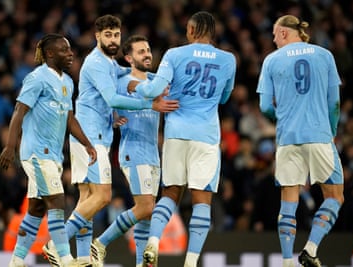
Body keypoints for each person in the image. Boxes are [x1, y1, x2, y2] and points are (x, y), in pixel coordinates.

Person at [41, 15, 179, 267]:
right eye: (108, 35)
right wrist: (150, 102)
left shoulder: (110, 63)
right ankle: (55, 244)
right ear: (97, 36)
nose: (113, 40)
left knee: (87, 200)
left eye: (116, 35)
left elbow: (125, 72)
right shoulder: (96, 63)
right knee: (103, 197)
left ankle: (83, 260)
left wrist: (147, 77)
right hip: (90, 139)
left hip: (96, 136)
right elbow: (112, 98)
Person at [128, 11, 236, 267]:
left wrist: (136, 87)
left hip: (176, 134)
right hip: (207, 137)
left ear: (190, 30)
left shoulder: (174, 55)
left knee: (170, 193)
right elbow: (224, 98)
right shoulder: (229, 59)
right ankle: (190, 262)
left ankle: (153, 242)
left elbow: (154, 90)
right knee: (202, 199)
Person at [0, 33, 97, 267]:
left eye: (70, 49)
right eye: (65, 50)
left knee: (36, 208)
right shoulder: (37, 78)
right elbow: (19, 111)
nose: (71, 53)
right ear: (50, 54)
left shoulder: (67, 82)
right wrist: (10, 146)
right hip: (36, 152)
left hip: (53, 155)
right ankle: (64, 258)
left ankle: (16, 261)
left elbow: (69, 117)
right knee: (57, 201)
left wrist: (87, 142)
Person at [256, 15, 344, 267]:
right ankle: (311, 248)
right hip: (318, 135)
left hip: (287, 138)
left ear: (284, 32)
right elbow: (334, 103)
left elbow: (264, 107)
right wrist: (332, 128)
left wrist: (280, 117)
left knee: (288, 197)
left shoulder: (271, 60)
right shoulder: (324, 55)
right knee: (334, 196)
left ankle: (286, 261)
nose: (273, 40)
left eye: (274, 34)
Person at [89, 34, 165, 267]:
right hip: (133, 150)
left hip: (153, 152)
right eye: (141, 51)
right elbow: (104, 103)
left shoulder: (156, 81)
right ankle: (100, 243)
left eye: (149, 49)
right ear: (129, 58)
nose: (148, 54)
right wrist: (111, 119)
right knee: (145, 206)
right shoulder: (121, 83)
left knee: (147, 213)